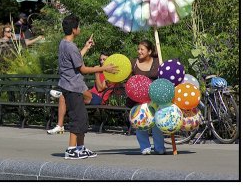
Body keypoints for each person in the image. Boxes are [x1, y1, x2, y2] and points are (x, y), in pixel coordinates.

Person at [57, 14, 117, 159]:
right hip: (73, 87)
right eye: (79, 26)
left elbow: (75, 61)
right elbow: (83, 69)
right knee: (77, 118)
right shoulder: (70, 46)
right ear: (74, 29)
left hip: (69, 85)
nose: (80, 29)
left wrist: (85, 47)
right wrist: (104, 69)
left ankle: (80, 148)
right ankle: (71, 150)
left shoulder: (64, 43)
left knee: (82, 117)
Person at [48, 51, 117, 134]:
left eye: (104, 59)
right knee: (63, 96)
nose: (101, 62)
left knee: (75, 91)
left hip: (99, 99)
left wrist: (96, 73)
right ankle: (59, 126)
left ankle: (66, 91)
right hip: (91, 95)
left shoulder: (112, 74)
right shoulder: (100, 70)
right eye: (101, 59)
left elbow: (100, 88)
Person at [130, 40, 166, 155]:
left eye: (142, 49)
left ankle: (159, 147)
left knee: (156, 122)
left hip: (155, 97)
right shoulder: (133, 63)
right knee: (140, 121)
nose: (139, 51)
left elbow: (164, 77)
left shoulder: (158, 61)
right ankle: (145, 147)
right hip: (139, 99)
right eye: (138, 49)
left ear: (149, 51)